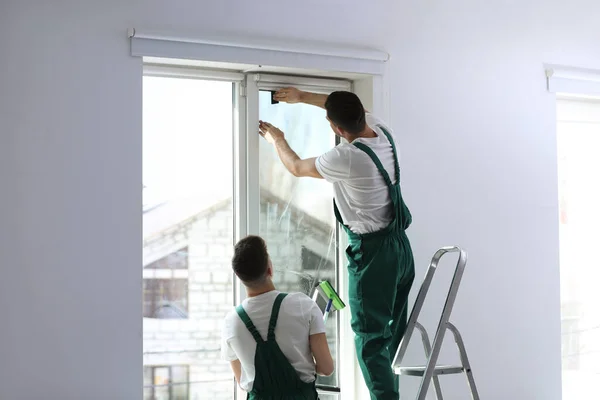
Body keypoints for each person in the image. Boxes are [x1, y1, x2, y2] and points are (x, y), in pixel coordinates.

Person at [258, 88, 415, 400]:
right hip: (400, 248)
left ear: (336, 128)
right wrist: (302, 96)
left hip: (373, 255)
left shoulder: (347, 157)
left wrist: (276, 139)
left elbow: (297, 167)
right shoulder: (383, 133)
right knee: (393, 333)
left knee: (370, 339)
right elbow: (345, 110)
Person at [221, 235, 334, 399]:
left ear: (239, 277)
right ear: (270, 269)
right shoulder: (303, 304)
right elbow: (326, 368)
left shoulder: (230, 322)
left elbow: (242, 380)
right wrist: (304, 363)